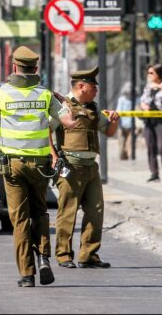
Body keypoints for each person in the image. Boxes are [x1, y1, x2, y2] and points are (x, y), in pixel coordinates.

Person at [0, 46, 73, 288]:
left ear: (14, 68)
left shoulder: (2, 94)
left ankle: (27, 274)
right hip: (39, 165)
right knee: (40, 212)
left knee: (20, 219)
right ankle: (45, 257)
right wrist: (66, 102)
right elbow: (68, 122)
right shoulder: (45, 95)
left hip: (13, 166)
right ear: (35, 69)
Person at [53, 67, 119, 269]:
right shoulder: (63, 106)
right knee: (68, 212)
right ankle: (63, 254)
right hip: (71, 167)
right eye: (93, 87)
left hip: (91, 168)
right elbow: (45, 130)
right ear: (81, 86)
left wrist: (115, 121)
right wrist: (53, 156)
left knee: (95, 211)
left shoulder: (92, 109)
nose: (96, 91)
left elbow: (107, 131)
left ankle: (88, 254)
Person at [140, 64, 162, 182]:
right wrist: (144, 106)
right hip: (149, 120)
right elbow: (142, 100)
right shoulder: (148, 86)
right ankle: (154, 173)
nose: (149, 75)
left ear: (158, 74)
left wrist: (160, 87)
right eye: (148, 73)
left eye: (151, 73)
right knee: (151, 146)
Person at [115, 82, 133, 160]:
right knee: (122, 142)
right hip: (122, 124)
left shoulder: (135, 99)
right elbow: (118, 111)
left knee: (129, 142)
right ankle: (123, 156)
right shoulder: (121, 100)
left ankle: (128, 156)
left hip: (130, 125)